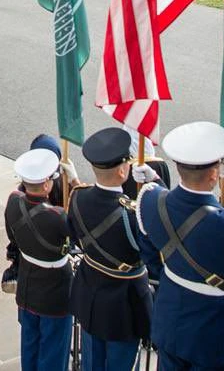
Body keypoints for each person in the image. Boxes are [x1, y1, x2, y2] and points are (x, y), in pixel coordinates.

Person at [134, 120, 224, 371]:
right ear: (215, 174)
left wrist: (156, 181)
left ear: (178, 168)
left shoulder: (151, 199)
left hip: (170, 319)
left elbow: (170, 222)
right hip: (215, 332)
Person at [68, 128, 151, 371]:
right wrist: (155, 185)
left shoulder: (77, 197)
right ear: (124, 170)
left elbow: (73, 234)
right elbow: (155, 252)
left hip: (90, 296)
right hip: (124, 306)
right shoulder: (133, 214)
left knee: (92, 364)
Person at [5, 148, 73, 371]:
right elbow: (81, 223)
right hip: (55, 292)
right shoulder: (57, 217)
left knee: (30, 347)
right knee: (53, 352)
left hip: (27, 285)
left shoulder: (14, 202)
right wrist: (74, 182)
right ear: (46, 185)